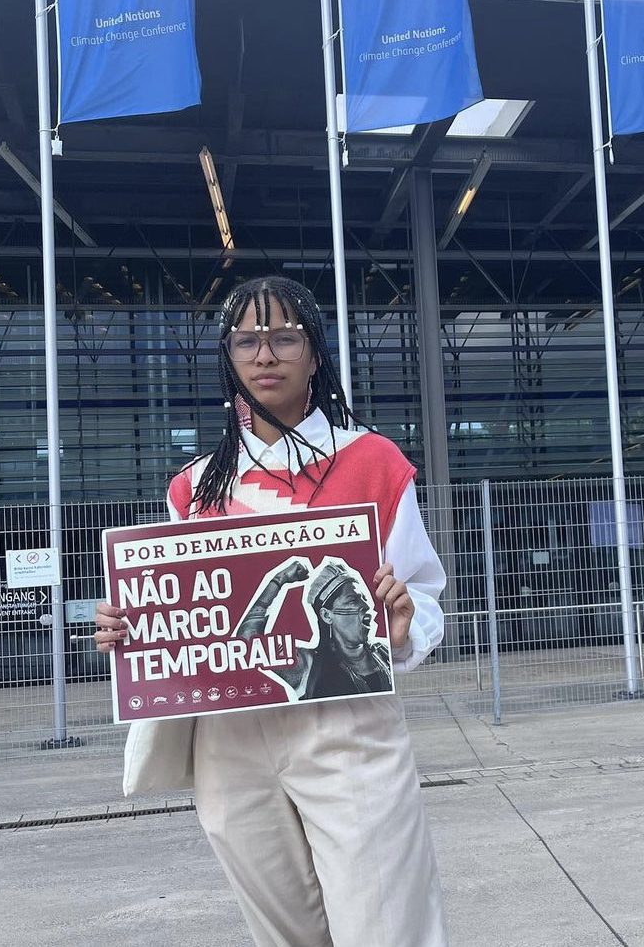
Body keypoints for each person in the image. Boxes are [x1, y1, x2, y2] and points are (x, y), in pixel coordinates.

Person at [95, 275, 449, 947]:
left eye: (284, 336)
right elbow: (183, 611)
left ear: (314, 353)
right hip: (230, 737)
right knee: (282, 934)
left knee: (385, 924)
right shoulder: (193, 487)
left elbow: (423, 593)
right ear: (227, 357)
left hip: (345, 723)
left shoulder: (373, 462)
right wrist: (132, 629)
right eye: (247, 340)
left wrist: (405, 630)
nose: (265, 355)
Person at [236, 556, 394, 701]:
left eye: (364, 598)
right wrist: (278, 580)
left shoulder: (384, 653)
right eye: (353, 600)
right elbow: (248, 643)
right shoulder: (309, 666)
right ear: (327, 615)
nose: (366, 606)